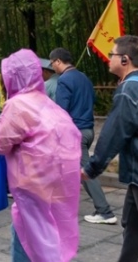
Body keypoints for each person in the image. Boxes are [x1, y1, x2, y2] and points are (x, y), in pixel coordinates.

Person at [0, 49, 81, 262]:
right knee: (49, 234)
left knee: (27, 238)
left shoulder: (17, 105)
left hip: (32, 188)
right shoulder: (47, 102)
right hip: (56, 184)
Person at [83, 35, 138, 261]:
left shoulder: (130, 89)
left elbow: (113, 134)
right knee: (134, 230)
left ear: (125, 59)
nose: (108, 58)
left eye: (112, 54)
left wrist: (91, 169)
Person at [50, 47, 117, 224]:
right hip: (88, 130)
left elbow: (61, 111)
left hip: (73, 133)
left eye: (52, 63)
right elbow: (92, 100)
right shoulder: (84, 78)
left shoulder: (64, 80)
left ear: (58, 61)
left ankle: (105, 211)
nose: (52, 67)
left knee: (86, 172)